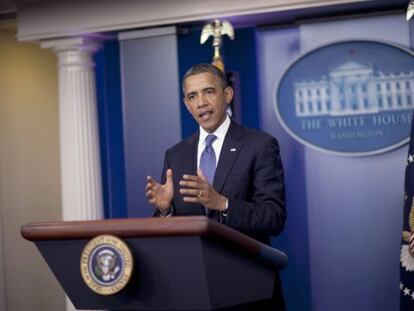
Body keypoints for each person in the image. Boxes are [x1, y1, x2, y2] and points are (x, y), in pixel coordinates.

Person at [145, 63, 286, 309]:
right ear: (187, 105)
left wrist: (222, 203)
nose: (201, 102)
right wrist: (166, 210)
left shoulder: (259, 145)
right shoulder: (175, 155)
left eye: (208, 91)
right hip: (194, 291)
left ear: (227, 94)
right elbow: (171, 235)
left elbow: (274, 218)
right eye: (192, 96)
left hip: (249, 288)